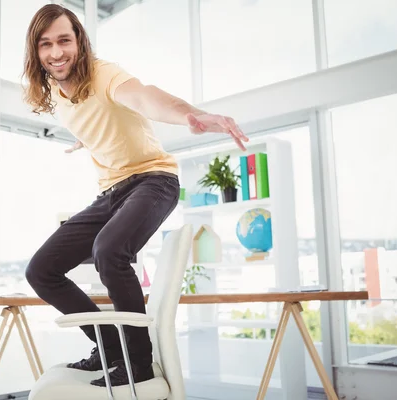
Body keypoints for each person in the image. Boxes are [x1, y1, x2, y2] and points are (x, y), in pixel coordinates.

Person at [22, 3, 248, 388]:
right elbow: (96, 118)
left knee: (108, 251)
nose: (56, 52)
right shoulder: (55, 93)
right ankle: (110, 348)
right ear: (36, 52)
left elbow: (144, 97)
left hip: (153, 180)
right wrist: (88, 138)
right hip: (110, 193)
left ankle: (138, 361)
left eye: (64, 40)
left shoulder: (103, 73)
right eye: (46, 44)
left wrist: (189, 114)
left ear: (79, 41)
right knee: (40, 270)